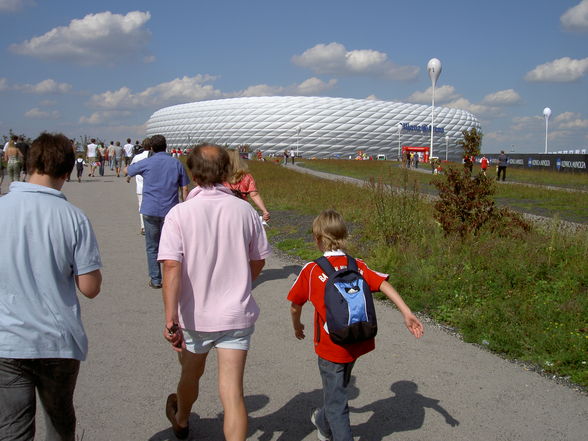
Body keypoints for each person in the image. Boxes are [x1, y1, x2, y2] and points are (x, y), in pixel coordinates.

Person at [159, 143, 270, 440]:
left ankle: (181, 419)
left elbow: (171, 267)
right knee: (232, 391)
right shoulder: (245, 212)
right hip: (236, 314)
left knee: (191, 374)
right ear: (226, 172)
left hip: (196, 316)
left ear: (192, 174)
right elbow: (258, 259)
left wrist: (170, 317)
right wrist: (241, 280)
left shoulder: (179, 214)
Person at [0, 132, 102, 441]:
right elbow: (90, 287)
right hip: (57, 340)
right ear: (67, 172)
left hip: (7, 339)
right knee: (59, 422)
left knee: (12, 429)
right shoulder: (74, 218)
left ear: (27, 162)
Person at [288, 210, 424, 441]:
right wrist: (406, 312)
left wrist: (297, 325)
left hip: (331, 347)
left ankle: (330, 425)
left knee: (337, 401)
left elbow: (295, 304)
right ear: (344, 235)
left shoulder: (311, 270)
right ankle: (322, 421)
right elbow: (382, 283)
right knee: (338, 389)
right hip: (358, 341)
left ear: (318, 239)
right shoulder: (357, 265)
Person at [126, 134, 189, 289]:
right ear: (165, 146)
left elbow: (127, 170)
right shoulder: (176, 163)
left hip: (150, 209)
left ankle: (155, 279)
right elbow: (185, 187)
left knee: (152, 246)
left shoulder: (146, 162)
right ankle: (175, 277)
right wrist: (186, 205)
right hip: (171, 211)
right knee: (174, 246)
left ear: (151, 148)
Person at [224, 149, 270, 222]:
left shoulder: (219, 177)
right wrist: (264, 210)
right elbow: (254, 195)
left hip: (223, 210)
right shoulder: (247, 177)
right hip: (242, 210)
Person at [127, 136, 151, 235]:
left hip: (141, 187)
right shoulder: (154, 157)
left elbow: (131, 169)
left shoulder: (137, 157)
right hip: (153, 187)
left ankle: (143, 227)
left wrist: (128, 177)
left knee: (142, 206)